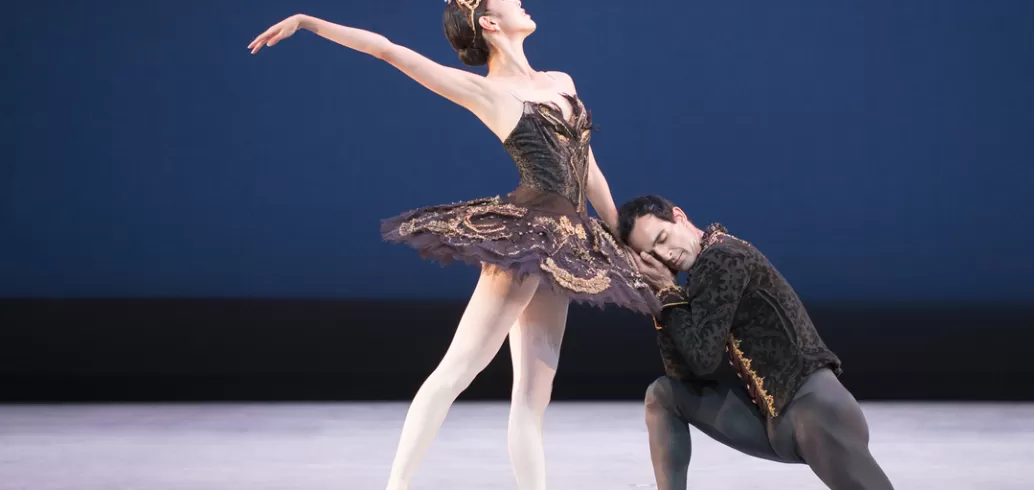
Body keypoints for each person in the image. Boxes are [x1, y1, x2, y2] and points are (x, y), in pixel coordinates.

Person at [247, 2, 659, 489]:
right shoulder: (488, 91)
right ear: (489, 22)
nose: (520, 1)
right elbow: (388, 51)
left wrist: (619, 238)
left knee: (533, 397)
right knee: (456, 371)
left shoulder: (561, 81)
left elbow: (589, 171)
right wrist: (309, 22)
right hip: (527, 238)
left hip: (567, 243)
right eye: (508, 0)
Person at [617, 195, 895, 490]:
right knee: (663, 395)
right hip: (774, 422)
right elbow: (681, 374)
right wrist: (662, 296)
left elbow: (703, 359)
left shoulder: (722, 257)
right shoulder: (703, 270)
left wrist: (668, 291)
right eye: (652, 254)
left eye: (662, 238)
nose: (665, 254)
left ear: (679, 217)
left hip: (816, 412)